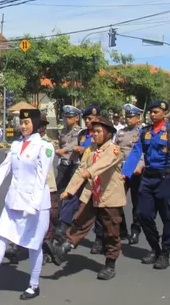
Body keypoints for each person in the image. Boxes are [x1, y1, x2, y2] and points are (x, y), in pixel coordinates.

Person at [0, 108, 54, 301]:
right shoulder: (16, 145)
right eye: (21, 123)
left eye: (27, 123)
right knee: (1, 236)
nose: (23, 126)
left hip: (36, 205)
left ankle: (34, 285)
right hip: (14, 200)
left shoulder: (45, 147)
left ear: (36, 125)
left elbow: (42, 178)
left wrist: (34, 204)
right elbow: (4, 168)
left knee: (33, 245)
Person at [48, 117, 126, 280]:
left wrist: (89, 172)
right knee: (81, 220)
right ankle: (64, 249)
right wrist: (69, 190)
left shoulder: (114, 149)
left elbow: (103, 163)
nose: (94, 135)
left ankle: (110, 263)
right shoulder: (90, 149)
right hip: (92, 193)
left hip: (109, 195)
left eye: (98, 132)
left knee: (111, 230)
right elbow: (80, 170)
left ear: (108, 134)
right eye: (93, 132)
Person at [121, 100, 170, 270]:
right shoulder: (145, 132)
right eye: (150, 112)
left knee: (168, 218)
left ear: (165, 114)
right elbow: (136, 151)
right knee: (143, 214)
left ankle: (164, 253)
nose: (152, 114)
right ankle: (154, 247)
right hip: (148, 178)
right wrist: (125, 172)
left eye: (156, 111)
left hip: (166, 179)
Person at [59, 104, 105, 254]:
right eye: (86, 119)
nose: (88, 122)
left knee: (98, 208)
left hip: (98, 176)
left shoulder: (103, 133)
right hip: (82, 172)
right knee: (71, 198)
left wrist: (84, 150)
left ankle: (99, 239)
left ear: (97, 118)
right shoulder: (83, 134)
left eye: (91, 118)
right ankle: (63, 227)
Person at [115, 103, 144, 244]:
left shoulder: (142, 132)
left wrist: (139, 167)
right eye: (127, 116)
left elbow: (143, 152)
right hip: (121, 170)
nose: (128, 119)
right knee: (117, 200)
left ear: (138, 118)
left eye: (131, 116)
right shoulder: (120, 132)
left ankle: (135, 230)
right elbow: (115, 150)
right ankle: (122, 230)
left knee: (137, 203)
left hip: (137, 171)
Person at [53, 105, 82, 237]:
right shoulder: (63, 131)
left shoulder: (80, 132)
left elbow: (74, 145)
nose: (67, 120)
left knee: (71, 194)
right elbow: (60, 144)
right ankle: (55, 219)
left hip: (74, 165)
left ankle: (66, 223)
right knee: (57, 191)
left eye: (70, 117)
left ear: (76, 118)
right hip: (63, 164)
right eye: (65, 117)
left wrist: (64, 150)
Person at [39, 113, 61, 264]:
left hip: (48, 186)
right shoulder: (25, 142)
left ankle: (48, 248)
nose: (39, 128)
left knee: (50, 218)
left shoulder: (48, 143)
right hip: (32, 188)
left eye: (41, 125)